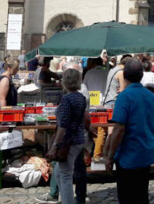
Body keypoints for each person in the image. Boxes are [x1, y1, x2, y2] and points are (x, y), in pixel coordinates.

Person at [104, 59, 154, 204]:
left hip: (129, 155)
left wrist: (110, 155)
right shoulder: (151, 96)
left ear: (125, 76)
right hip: (145, 152)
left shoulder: (124, 96)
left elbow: (119, 129)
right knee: (141, 195)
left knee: (127, 196)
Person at [46, 68, 88, 204]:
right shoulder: (81, 98)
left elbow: (63, 126)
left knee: (65, 176)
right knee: (59, 172)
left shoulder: (67, 100)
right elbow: (84, 118)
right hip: (78, 139)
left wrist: (54, 146)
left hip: (68, 142)